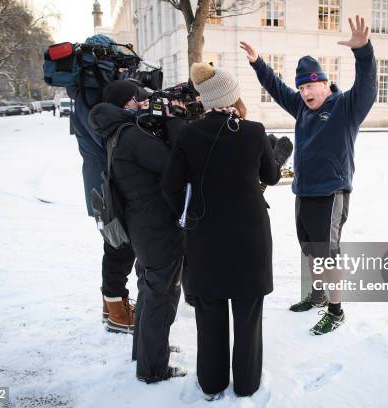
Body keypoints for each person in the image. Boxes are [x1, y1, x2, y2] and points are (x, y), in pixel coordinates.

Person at [239, 15, 377, 335]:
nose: (304, 92)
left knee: (328, 255)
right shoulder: (301, 108)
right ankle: (316, 295)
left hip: (331, 193)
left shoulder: (345, 107)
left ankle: (336, 309)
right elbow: (276, 87)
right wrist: (259, 63)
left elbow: (368, 87)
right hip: (303, 191)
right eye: (301, 87)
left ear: (325, 83)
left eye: (310, 84)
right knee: (309, 250)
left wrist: (364, 51)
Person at [162, 62, 292, 399]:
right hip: (250, 239)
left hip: (205, 240)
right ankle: (247, 384)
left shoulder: (189, 134)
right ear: (233, 97)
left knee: (210, 315)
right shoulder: (253, 131)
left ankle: (211, 383)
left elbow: (170, 187)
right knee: (248, 316)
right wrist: (276, 153)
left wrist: (188, 217)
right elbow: (272, 176)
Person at [89, 80, 187, 383]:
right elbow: (174, 164)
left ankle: (146, 352)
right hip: (156, 227)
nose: (143, 103)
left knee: (149, 290)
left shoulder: (117, 133)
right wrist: (173, 121)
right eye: (137, 99)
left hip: (142, 226)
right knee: (162, 295)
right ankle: (153, 368)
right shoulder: (130, 135)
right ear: (125, 104)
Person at [66, 34, 136, 334]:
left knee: (118, 243)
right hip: (104, 184)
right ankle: (116, 311)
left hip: (103, 180)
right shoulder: (88, 97)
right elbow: (107, 135)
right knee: (118, 244)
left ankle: (113, 305)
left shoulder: (86, 93)